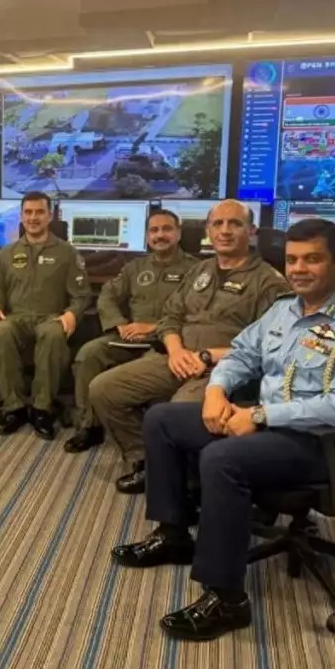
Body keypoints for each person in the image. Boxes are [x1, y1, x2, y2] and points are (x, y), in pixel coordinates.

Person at [111, 219, 335, 641]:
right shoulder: (285, 309)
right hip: (268, 424)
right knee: (163, 420)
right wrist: (216, 390)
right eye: (292, 260)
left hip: (324, 443)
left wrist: (261, 416)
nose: (298, 269)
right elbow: (241, 354)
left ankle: (227, 599)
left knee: (222, 458)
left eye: (312, 259)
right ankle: (173, 534)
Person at [90, 200, 288, 493]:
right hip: (177, 358)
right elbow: (170, 317)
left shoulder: (269, 282)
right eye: (217, 224)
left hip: (222, 369)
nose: (225, 231)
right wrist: (176, 351)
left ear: (251, 231)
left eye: (235, 224)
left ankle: (188, 481)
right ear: (208, 230)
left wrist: (207, 356)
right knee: (104, 389)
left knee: (175, 413)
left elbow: (271, 347)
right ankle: (146, 461)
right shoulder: (200, 271)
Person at [66, 209, 197, 454]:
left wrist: (154, 326)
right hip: (129, 339)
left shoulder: (196, 270)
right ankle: (90, 425)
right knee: (88, 354)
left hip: (168, 344)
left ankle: (145, 439)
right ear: (147, 236)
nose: (160, 235)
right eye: (154, 230)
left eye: (167, 229)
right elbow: (107, 296)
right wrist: (120, 323)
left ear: (178, 233)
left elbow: (198, 314)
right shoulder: (135, 267)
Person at [0, 191, 91, 440]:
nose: (33, 218)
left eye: (39, 212)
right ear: (21, 216)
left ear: (50, 216)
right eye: (28, 212)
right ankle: (14, 407)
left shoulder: (67, 253)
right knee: (2, 331)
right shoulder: (6, 253)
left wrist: (71, 314)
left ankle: (42, 408)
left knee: (53, 333)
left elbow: (82, 294)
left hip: (50, 317)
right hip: (16, 317)